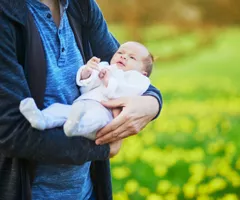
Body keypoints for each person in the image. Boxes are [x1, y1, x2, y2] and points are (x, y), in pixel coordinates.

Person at [0, 0, 163, 200]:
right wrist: (103, 147)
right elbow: (10, 133)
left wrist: (153, 102)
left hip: (86, 192)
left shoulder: (80, 5)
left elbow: (125, 66)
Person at [20, 41, 154, 140]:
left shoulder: (138, 80)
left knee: (93, 119)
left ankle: (76, 128)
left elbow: (124, 94)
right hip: (82, 104)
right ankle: (41, 119)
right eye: (120, 52)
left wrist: (108, 81)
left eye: (132, 57)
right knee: (59, 109)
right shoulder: (105, 67)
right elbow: (85, 87)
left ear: (144, 73)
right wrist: (87, 72)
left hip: (104, 113)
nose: (124, 57)